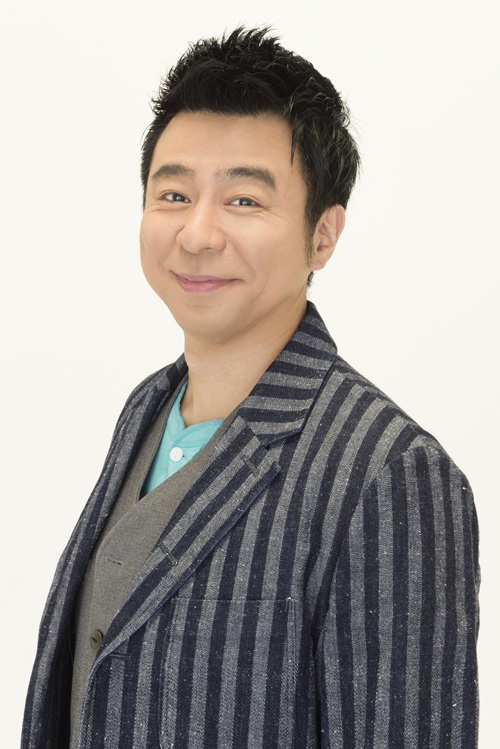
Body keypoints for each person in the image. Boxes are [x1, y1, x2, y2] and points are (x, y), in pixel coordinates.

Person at [22, 27, 479, 749]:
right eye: (174, 194)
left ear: (323, 235)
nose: (197, 233)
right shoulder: (146, 408)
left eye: (242, 200)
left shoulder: (389, 472)